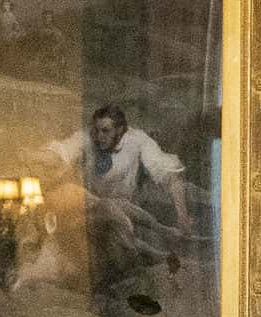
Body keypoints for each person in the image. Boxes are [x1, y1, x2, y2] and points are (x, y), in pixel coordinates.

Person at [41, 103, 195, 303]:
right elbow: (63, 150)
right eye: (96, 130)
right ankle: (160, 246)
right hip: (88, 216)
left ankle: (164, 248)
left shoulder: (138, 141)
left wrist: (182, 215)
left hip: (126, 218)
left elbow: (170, 174)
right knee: (109, 215)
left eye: (105, 131)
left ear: (121, 130)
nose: (99, 136)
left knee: (122, 226)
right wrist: (42, 155)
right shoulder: (88, 137)